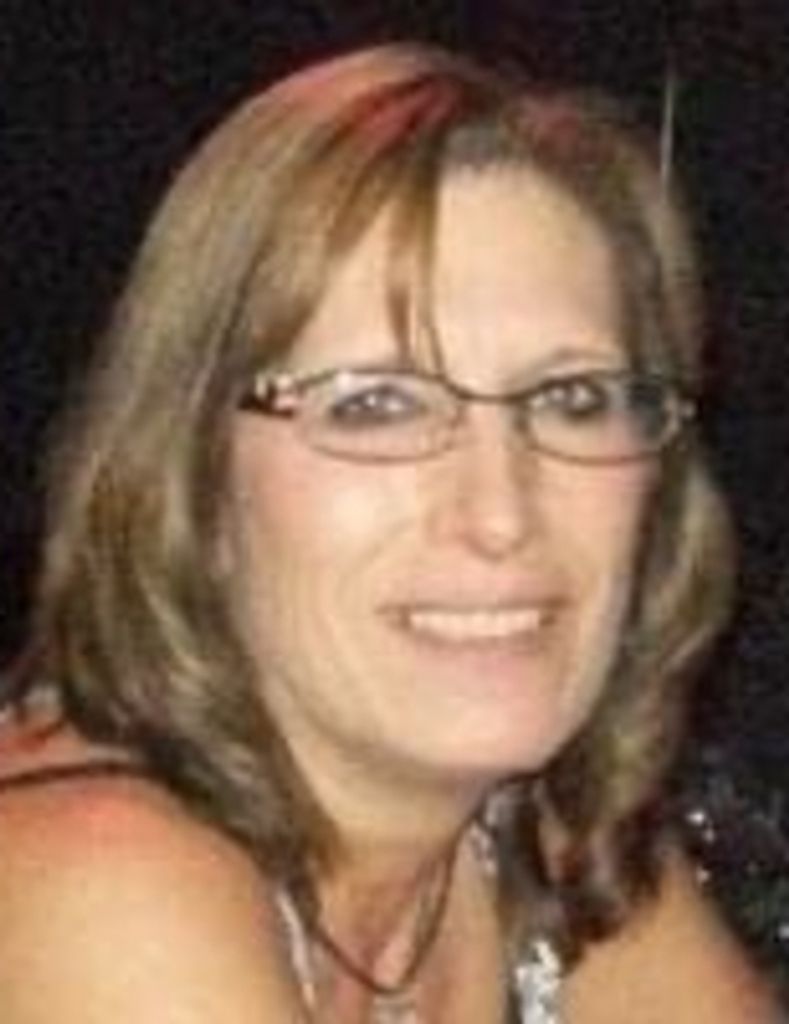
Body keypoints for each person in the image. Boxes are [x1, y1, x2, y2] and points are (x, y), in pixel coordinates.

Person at [0, 42, 780, 1023]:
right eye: (377, 405)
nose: (500, 515)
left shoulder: (539, 834)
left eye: (573, 398)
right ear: (193, 479)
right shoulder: (92, 886)